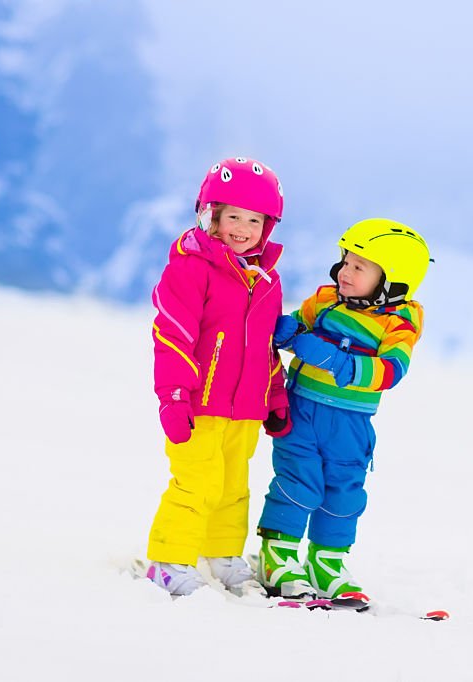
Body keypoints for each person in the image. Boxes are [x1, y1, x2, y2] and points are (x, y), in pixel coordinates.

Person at [255, 218, 431, 599]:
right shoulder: (325, 301)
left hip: (351, 425)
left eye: (358, 267)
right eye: (345, 261)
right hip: (302, 411)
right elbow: (293, 329)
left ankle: (327, 561)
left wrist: (339, 362)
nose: (343, 272)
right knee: (298, 480)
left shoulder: (399, 322)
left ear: (392, 281)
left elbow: (391, 371)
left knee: (344, 491)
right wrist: (287, 331)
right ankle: (276, 555)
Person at [143, 157, 290, 597]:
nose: (243, 228)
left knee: (232, 485)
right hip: (199, 403)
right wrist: (173, 397)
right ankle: (168, 560)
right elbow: (173, 335)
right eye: (233, 217)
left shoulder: (265, 279)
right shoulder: (191, 268)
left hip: (244, 408)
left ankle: (223, 553)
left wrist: (275, 396)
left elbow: (265, 346)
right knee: (196, 482)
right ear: (211, 215)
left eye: (254, 220)